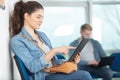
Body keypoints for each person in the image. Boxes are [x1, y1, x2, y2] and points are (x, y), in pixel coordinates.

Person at [9, 1, 93, 80]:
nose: (41, 21)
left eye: (42, 17)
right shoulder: (17, 41)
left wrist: (71, 61)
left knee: (83, 74)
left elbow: (54, 62)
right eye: (38, 17)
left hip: (55, 73)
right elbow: (33, 67)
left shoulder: (42, 36)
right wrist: (54, 51)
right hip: (43, 77)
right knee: (84, 75)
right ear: (26, 16)